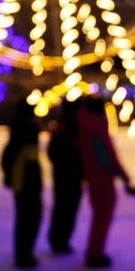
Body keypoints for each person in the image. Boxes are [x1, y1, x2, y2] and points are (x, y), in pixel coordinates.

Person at [77, 96, 129, 269]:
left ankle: (95, 250)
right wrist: (123, 175)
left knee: (99, 215)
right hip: (101, 177)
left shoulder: (84, 124)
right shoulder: (95, 126)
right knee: (102, 215)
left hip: (93, 175)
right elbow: (106, 156)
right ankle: (95, 253)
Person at [1, 101, 43, 270]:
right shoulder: (25, 143)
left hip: (22, 183)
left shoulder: (15, 141)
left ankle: (23, 254)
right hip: (27, 184)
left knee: (25, 218)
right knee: (29, 218)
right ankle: (25, 255)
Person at [44, 98, 83, 255]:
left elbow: (51, 152)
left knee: (64, 208)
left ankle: (60, 240)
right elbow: (53, 152)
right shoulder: (66, 128)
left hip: (65, 175)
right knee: (65, 208)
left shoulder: (62, 127)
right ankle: (60, 240)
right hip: (68, 175)